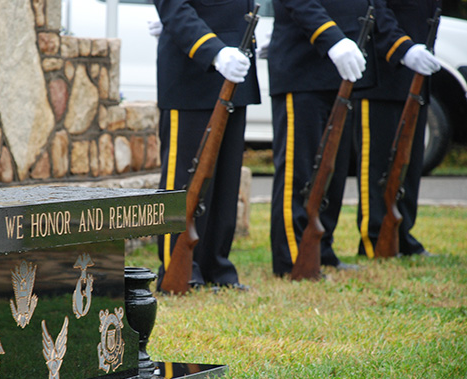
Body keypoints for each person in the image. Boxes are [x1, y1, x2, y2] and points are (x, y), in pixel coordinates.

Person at [152, 0, 261, 291]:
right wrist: (213, 50)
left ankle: (217, 266)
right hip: (194, 73)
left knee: (225, 183)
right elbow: (175, 7)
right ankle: (178, 268)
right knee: (185, 183)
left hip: (235, 68)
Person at [267, 0, 378, 277]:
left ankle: (321, 249)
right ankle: (292, 256)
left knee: (334, 171)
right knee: (300, 172)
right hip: (304, 67)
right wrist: (332, 38)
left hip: (340, 70)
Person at [349, 0, 442, 258]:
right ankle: (376, 238)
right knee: (379, 166)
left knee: (408, 167)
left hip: (416, 75)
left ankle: (402, 234)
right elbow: (376, 10)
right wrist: (402, 49)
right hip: (384, 74)